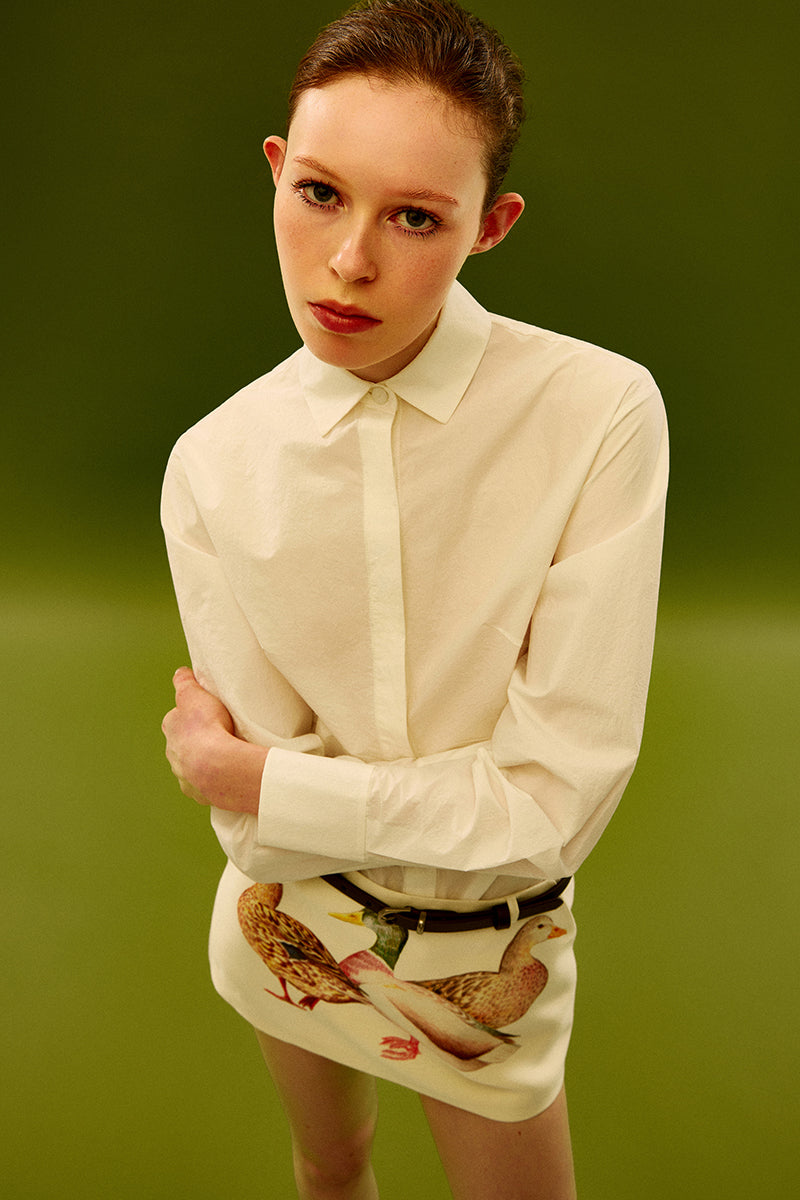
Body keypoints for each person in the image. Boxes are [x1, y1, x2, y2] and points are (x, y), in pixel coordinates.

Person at [160, 1, 668, 1196]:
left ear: (489, 225)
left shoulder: (598, 414)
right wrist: (268, 795)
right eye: (319, 194)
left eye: (414, 217)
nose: (349, 263)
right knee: (330, 1169)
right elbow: (255, 838)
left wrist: (268, 779)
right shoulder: (214, 463)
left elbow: (545, 812)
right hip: (285, 928)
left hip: (494, 960)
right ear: (276, 172)